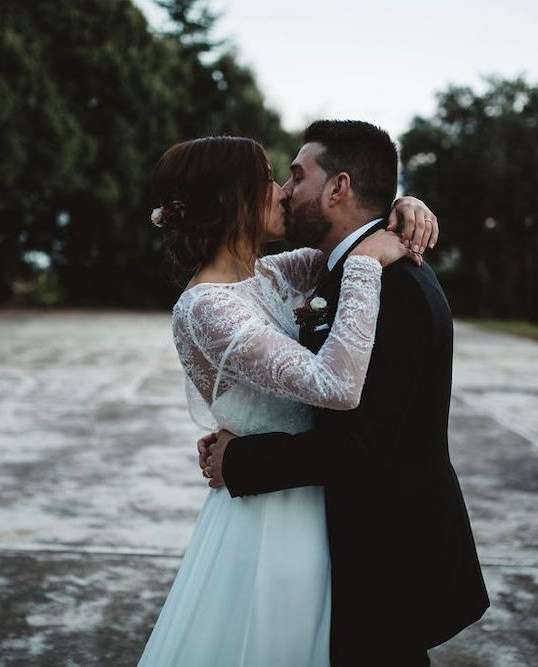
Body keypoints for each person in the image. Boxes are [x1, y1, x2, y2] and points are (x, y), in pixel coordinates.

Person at [136, 134, 433, 666]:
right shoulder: (206, 307)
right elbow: (336, 386)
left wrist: (403, 208)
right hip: (269, 516)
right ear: (231, 201)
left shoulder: (272, 272)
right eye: (270, 180)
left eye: (290, 177)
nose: (282, 192)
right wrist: (367, 264)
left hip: (317, 499)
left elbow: (343, 241)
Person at [200, 120, 490, 665]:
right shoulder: (343, 272)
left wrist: (239, 460)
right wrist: (404, 207)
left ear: (339, 189)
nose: (285, 191)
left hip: (388, 555)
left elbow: (362, 446)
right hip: (354, 546)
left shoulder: (394, 287)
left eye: (296, 175)